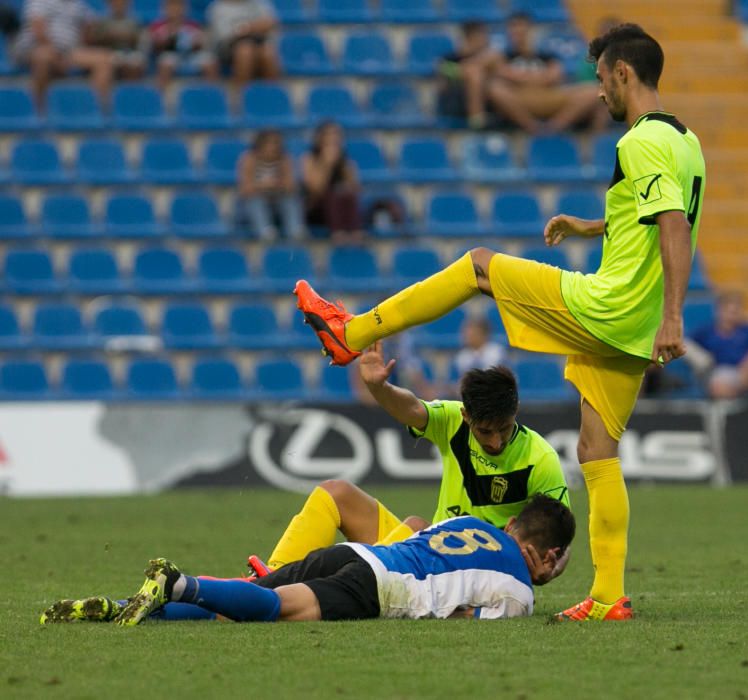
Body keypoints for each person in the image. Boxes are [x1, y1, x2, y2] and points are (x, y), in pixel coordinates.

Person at [295, 24, 706, 622]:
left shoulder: (638, 141)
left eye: (599, 80)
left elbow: (672, 224)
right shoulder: (685, 140)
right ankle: (611, 597)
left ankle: (351, 331)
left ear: (623, 73)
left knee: (478, 266)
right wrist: (594, 228)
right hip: (635, 326)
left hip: (611, 306)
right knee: (597, 450)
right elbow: (661, 215)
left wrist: (676, 315)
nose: (597, 94)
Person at [254, 354, 570, 587]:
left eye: (504, 428)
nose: (497, 441)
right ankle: (272, 577)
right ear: (465, 416)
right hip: (429, 553)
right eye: (485, 432)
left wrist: (550, 570)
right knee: (336, 493)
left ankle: (348, 581)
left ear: (515, 412)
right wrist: (380, 388)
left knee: (417, 525)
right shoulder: (452, 422)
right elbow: (412, 409)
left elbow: (562, 541)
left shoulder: (540, 458)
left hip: (480, 574)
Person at [40, 494, 576, 625]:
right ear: (548, 556)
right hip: (383, 586)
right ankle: (178, 584)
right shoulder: (520, 592)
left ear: (513, 526)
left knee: (246, 605)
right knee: (280, 609)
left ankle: (118, 607)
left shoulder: (472, 524)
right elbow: (470, 623)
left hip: (356, 551)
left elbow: (416, 528)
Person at [483, 12, 608, 133]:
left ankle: (555, 127)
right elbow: (499, 74)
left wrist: (517, 77)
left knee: (595, 90)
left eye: (523, 30)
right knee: (495, 88)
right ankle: (530, 126)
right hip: (519, 99)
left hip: (549, 96)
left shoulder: (547, 55)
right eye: (515, 31)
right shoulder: (502, 56)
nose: (519, 35)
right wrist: (537, 78)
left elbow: (554, 76)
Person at [12, 0, 116, 106]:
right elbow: (38, 33)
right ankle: (39, 109)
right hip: (39, 47)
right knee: (43, 57)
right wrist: (57, 55)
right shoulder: (39, 1)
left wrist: (92, 30)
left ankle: (96, 110)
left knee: (103, 59)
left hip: (69, 52)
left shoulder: (79, 5)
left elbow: (91, 28)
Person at [236, 129, 305, 240]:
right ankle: (265, 231)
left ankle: (295, 229)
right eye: (269, 143)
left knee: (290, 199)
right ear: (260, 145)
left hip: (277, 205)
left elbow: (290, 187)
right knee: (255, 200)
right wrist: (269, 185)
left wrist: (265, 185)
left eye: (276, 143)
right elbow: (245, 189)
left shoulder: (285, 159)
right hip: (250, 209)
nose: (273, 147)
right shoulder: (248, 159)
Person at [302, 121, 363, 243]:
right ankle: (338, 233)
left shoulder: (345, 161)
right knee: (332, 194)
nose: (333, 138)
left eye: (336, 134)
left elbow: (356, 189)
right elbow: (315, 190)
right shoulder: (309, 159)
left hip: (343, 210)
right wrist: (326, 165)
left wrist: (346, 170)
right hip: (317, 210)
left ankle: (355, 231)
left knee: (345, 192)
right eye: (328, 134)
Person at [436, 21, 502, 129]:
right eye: (482, 35)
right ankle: (476, 119)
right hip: (457, 100)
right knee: (475, 73)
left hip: (488, 100)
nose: (486, 39)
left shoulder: (489, 58)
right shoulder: (450, 58)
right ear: (471, 37)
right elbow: (442, 82)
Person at [687, 290, 748, 399]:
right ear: (720, 310)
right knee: (719, 385)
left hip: (740, 372)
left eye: (736, 311)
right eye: (730, 311)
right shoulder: (707, 331)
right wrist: (703, 360)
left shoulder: (745, 330)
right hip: (715, 372)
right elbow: (685, 344)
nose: (732, 316)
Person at [146, 0, 219, 88]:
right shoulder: (157, 26)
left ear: (185, 8)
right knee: (166, 62)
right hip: (169, 55)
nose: (176, 10)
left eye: (179, 6)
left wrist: (196, 44)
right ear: (165, 9)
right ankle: (161, 93)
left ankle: (210, 94)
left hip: (191, 56)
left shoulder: (193, 25)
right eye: (172, 7)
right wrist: (167, 41)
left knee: (210, 62)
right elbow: (155, 46)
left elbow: (200, 45)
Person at [206, 0, 279, 85]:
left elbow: (269, 24)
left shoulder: (259, 3)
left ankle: (271, 95)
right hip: (227, 48)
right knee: (245, 51)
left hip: (257, 42)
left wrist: (246, 28)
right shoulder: (217, 7)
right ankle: (240, 94)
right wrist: (252, 27)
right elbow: (225, 35)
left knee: (268, 53)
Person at [87, 0, 145, 79]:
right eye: (115, 3)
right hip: (108, 53)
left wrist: (130, 37)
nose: (118, 6)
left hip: (130, 52)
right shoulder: (102, 21)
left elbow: (141, 41)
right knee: (105, 62)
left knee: (135, 63)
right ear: (110, 4)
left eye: (122, 3)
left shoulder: (135, 21)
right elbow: (95, 41)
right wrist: (109, 36)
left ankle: (131, 89)